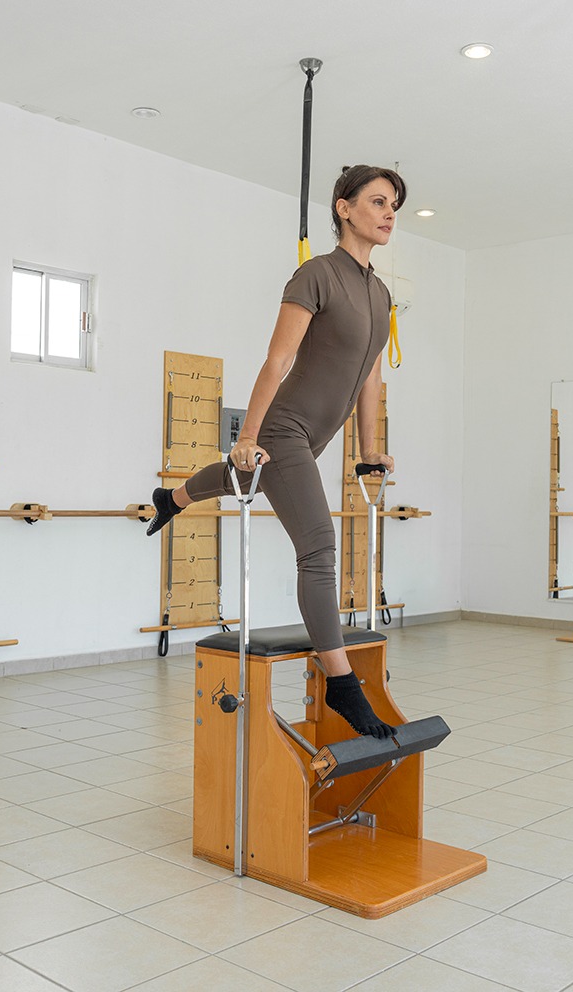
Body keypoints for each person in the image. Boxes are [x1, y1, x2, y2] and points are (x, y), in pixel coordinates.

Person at [146, 164, 404, 739]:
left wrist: (369, 449)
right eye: (378, 201)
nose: (389, 214)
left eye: (394, 206)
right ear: (343, 208)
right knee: (319, 546)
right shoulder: (317, 274)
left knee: (244, 480)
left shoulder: (381, 294)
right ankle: (342, 685)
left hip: (314, 437)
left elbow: (371, 376)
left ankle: (173, 497)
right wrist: (248, 437)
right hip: (284, 428)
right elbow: (278, 359)